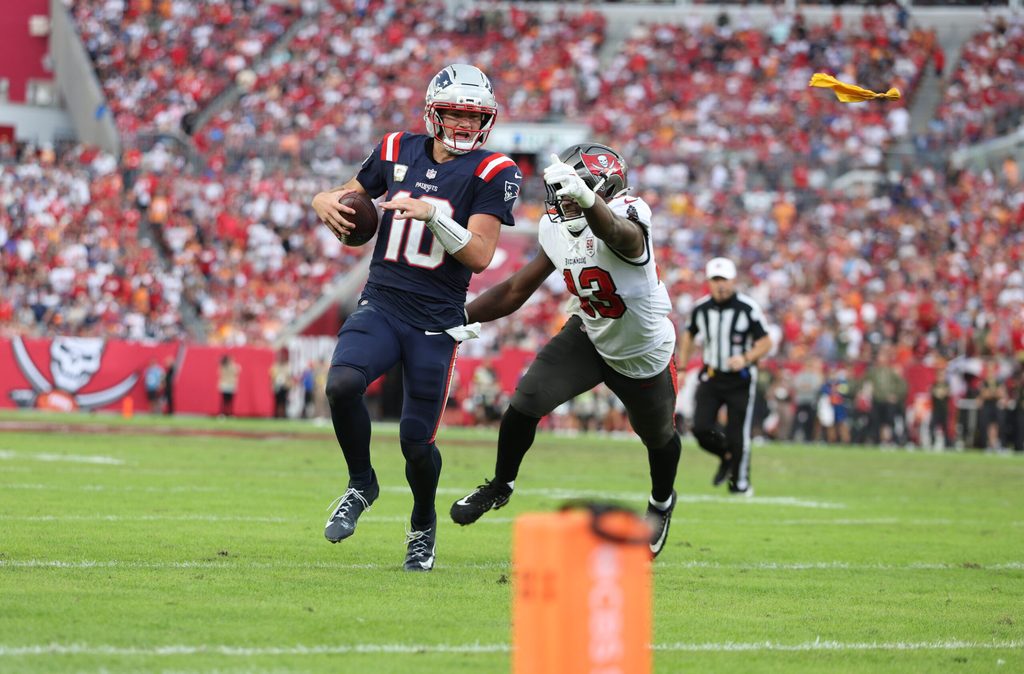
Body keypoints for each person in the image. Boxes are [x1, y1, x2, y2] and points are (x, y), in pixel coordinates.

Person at [310, 64, 521, 572]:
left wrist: (435, 215)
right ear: (433, 111)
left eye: (474, 116)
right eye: (454, 113)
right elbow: (348, 192)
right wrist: (322, 199)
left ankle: (423, 525)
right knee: (341, 385)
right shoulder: (394, 148)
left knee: (415, 442)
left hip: (436, 320)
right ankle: (361, 483)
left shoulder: (495, 170)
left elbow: (480, 255)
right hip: (382, 301)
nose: (465, 125)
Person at [448, 143, 682, 558]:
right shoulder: (555, 227)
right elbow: (517, 288)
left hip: (642, 349)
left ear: (605, 189)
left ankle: (661, 503)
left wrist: (588, 198)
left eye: (578, 188)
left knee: (658, 435)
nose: (563, 199)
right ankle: (502, 485)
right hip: (589, 333)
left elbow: (618, 236)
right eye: (562, 189)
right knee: (525, 401)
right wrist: (458, 316)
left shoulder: (631, 212)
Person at [678, 257, 772, 496]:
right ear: (709, 282)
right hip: (711, 376)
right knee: (700, 427)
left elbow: (766, 342)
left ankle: (740, 484)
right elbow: (689, 336)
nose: (721, 285)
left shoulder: (747, 308)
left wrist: (747, 357)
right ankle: (726, 455)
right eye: (716, 279)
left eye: (725, 279)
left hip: (739, 379)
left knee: (737, 433)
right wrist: (682, 367)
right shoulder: (701, 309)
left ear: (733, 281)